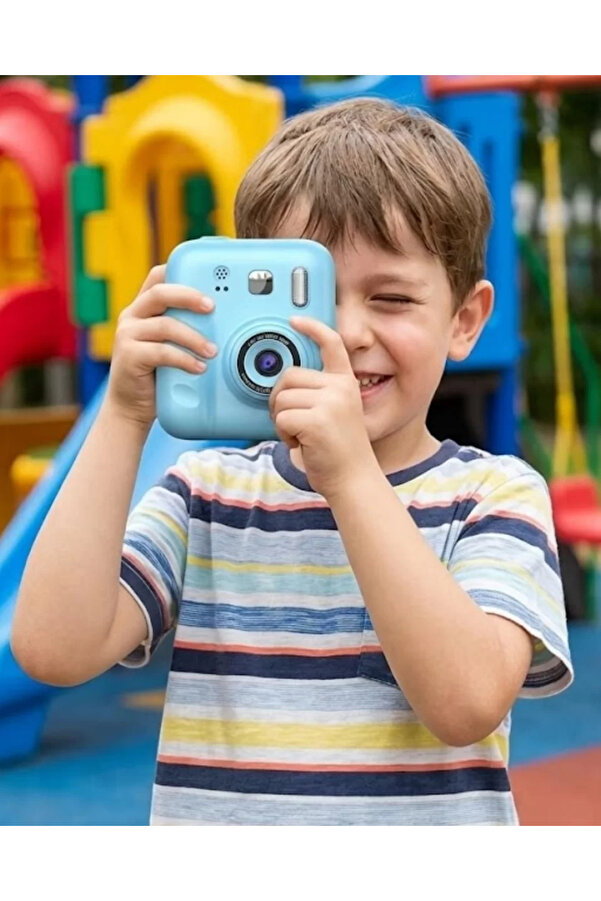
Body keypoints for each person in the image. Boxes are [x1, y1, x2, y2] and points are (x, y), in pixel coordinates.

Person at [12, 97, 573, 826]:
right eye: (305, 297)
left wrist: (346, 476)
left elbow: (463, 702)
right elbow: (53, 649)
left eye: (392, 297)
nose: (344, 332)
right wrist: (123, 416)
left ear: (464, 320)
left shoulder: (493, 495)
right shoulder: (203, 493)